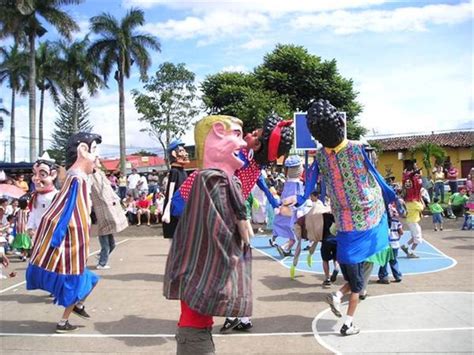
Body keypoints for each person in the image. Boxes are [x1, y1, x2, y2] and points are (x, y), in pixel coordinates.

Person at [300, 99, 396, 337]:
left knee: (361, 262)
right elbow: (374, 174)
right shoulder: (359, 148)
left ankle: (342, 292)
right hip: (368, 214)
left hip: (344, 221)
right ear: (340, 123)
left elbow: (314, 183)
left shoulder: (320, 156)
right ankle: (348, 321)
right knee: (368, 260)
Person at [163, 115, 252, 354]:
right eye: (236, 135)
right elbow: (178, 206)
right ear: (217, 133)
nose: (242, 144)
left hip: (198, 325)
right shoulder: (208, 179)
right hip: (195, 333)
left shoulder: (210, 180)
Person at [25, 132, 102, 333]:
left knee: (90, 279)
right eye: (94, 151)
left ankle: (78, 305)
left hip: (76, 237)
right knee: (76, 281)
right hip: (71, 240)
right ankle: (63, 321)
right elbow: (66, 209)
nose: (97, 157)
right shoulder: (76, 178)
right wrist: (59, 234)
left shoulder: (79, 178)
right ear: (83, 151)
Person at [90, 167, 128, 270]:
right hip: (103, 219)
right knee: (106, 245)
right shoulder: (95, 181)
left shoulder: (102, 178)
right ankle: (102, 263)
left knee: (112, 245)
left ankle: (101, 257)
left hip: (108, 218)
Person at [26, 153, 59, 240]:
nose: (36, 179)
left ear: (53, 175)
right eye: (34, 174)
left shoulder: (57, 197)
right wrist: (30, 227)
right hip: (37, 235)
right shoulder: (35, 197)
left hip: (52, 235)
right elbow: (33, 213)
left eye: (42, 175)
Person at [161, 140, 189, 239]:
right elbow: (170, 192)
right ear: (174, 154)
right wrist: (167, 210)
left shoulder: (183, 172)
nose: (186, 153)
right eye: (181, 151)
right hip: (175, 210)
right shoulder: (174, 172)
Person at [400, 161, 424, 258]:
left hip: (411, 221)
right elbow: (423, 207)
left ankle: (405, 246)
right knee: (418, 238)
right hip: (413, 222)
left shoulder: (406, 179)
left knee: (414, 236)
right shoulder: (415, 203)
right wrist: (421, 198)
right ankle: (410, 252)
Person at [377, 204, 403, 284]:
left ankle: (384, 277)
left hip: (385, 244)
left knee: (383, 261)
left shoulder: (382, 222)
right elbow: (401, 232)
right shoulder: (397, 221)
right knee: (394, 260)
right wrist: (398, 237)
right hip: (395, 244)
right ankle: (397, 276)